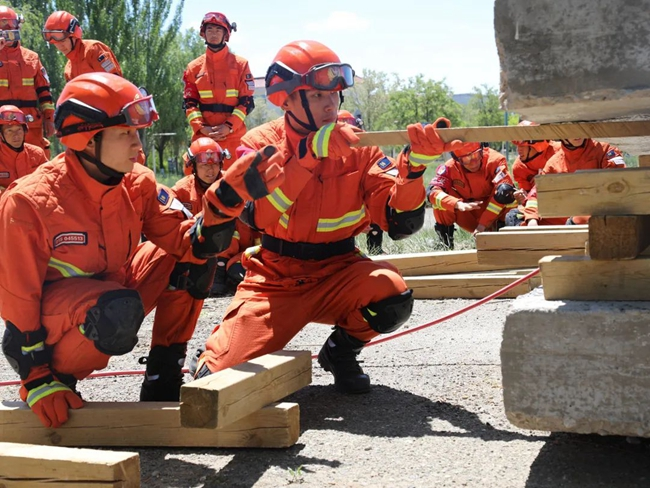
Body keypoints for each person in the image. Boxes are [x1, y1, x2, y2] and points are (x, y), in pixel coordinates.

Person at [0, 72, 278, 428]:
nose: (138, 145)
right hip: (51, 326)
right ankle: (59, 377)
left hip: (110, 293)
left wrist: (224, 204)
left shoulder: (138, 183)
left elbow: (190, 243)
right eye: (126, 133)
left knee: (194, 262)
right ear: (87, 140)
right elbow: (18, 301)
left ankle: (162, 377)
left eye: (137, 133)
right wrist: (36, 377)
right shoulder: (29, 202)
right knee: (117, 310)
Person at [192, 40, 462, 394]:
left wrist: (414, 171)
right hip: (276, 278)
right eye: (318, 96)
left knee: (392, 293)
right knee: (213, 383)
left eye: (335, 95)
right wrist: (308, 154)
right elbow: (257, 216)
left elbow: (400, 225)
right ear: (284, 99)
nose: (330, 104)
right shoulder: (257, 144)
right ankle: (210, 354)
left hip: (340, 269)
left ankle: (339, 353)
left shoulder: (360, 148)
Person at [182, 11, 255, 167]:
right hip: (203, 138)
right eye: (210, 30)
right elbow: (189, 104)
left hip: (234, 138)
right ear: (204, 33)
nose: (213, 34)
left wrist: (228, 127)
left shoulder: (241, 65)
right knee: (195, 181)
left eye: (218, 30)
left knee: (237, 184)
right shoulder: (193, 68)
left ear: (226, 34)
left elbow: (246, 102)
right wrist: (202, 128)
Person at [427, 142, 514, 249]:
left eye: (476, 155)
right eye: (466, 159)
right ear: (457, 160)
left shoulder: (495, 160)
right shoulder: (450, 167)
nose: (473, 163)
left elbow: (505, 191)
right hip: (467, 212)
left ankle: (503, 237)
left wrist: (483, 224)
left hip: (493, 213)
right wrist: (456, 204)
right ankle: (445, 244)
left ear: (482, 150)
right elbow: (431, 192)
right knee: (439, 199)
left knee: (508, 193)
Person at [522, 137, 625, 226]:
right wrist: (532, 220)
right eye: (569, 131)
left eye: (579, 128)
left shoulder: (606, 149)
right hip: (565, 220)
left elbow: (618, 188)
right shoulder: (553, 164)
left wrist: (580, 218)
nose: (577, 134)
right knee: (516, 216)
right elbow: (536, 195)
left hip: (600, 216)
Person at [0, 6, 55, 156]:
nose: (7, 34)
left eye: (10, 28)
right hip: (1, 122)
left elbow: (44, 91)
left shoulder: (31, 57)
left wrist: (49, 118)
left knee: (35, 163)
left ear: (17, 26)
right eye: (2, 30)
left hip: (30, 123)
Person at [338, 109, 385, 255]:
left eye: (349, 122)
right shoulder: (330, 157)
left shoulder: (367, 152)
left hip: (361, 206)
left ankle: (375, 249)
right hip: (339, 212)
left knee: (377, 208)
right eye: (342, 122)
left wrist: (366, 218)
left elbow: (375, 188)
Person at [42, 10, 122, 82]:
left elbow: (114, 82)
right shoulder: (68, 69)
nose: (60, 46)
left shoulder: (93, 50)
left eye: (63, 41)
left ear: (74, 36)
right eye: (55, 43)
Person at [0, 104, 48, 192]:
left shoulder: (37, 154)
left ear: (24, 131)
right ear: (1, 134)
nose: (16, 135)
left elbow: (49, 183)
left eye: (19, 130)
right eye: (9, 130)